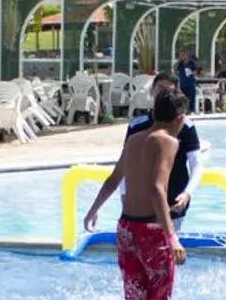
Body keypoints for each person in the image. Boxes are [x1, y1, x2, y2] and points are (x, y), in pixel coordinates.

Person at [108, 89, 189, 300]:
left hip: (126, 229)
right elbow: (156, 189)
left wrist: (93, 211)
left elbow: (114, 179)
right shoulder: (168, 142)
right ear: (180, 119)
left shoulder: (134, 139)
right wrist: (172, 236)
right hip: (152, 232)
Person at [83, 75, 205, 232]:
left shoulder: (182, 128)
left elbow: (196, 163)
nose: (163, 94)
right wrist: (171, 238)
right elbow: (155, 188)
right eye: (160, 89)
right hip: (145, 211)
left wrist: (187, 192)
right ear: (151, 92)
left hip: (155, 209)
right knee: (164, 251)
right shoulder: (159, 137)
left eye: (168, 91)